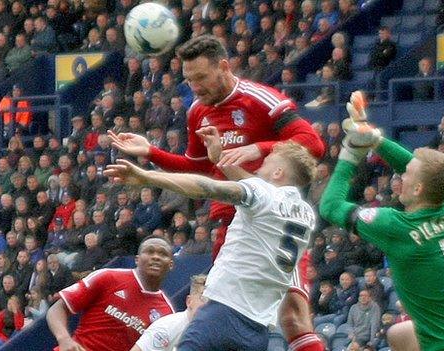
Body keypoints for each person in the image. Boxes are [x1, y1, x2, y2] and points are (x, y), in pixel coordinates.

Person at [108, 34, 325, 351]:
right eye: (189, 79)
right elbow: (199, 171)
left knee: (293, 317)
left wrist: (257, 148)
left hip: (270, 225)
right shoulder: (198, 111)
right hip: (232, 226)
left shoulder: (260, 100)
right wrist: (151, 152)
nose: (194, 87)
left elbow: (313, 145)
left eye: (201, 77)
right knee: (218, 315)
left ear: (223, 67)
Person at [320, 92, 444, 351]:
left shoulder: (397, 227)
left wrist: (351, 151)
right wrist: (374, 139)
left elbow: (329, 206)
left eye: (407, 176)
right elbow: (420, 170)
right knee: (399, 334)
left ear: (417, 190)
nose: (401, 175)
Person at [104, 135, 318, 351]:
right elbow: (258, 190)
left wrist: (147, 176)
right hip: (258, 331)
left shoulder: (263, 194)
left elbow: (210, 188)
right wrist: (221, 159)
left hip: (222, 314)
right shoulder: (306, 215)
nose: (258, 167)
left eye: (265, 163)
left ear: (278, 173)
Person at [46, 238, 175, 351]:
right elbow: (57, 309)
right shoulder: (108, 277)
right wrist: (64, 339)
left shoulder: (167, 314)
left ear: (171, 265)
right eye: (149, 251)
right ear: (137, 259)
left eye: (163, 254)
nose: (156, 257)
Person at [131, 275, 207, 351]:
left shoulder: (215, 334)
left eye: (213, 301)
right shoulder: (166, 327)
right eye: (203, 298)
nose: (208, 304)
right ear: (189, 301)